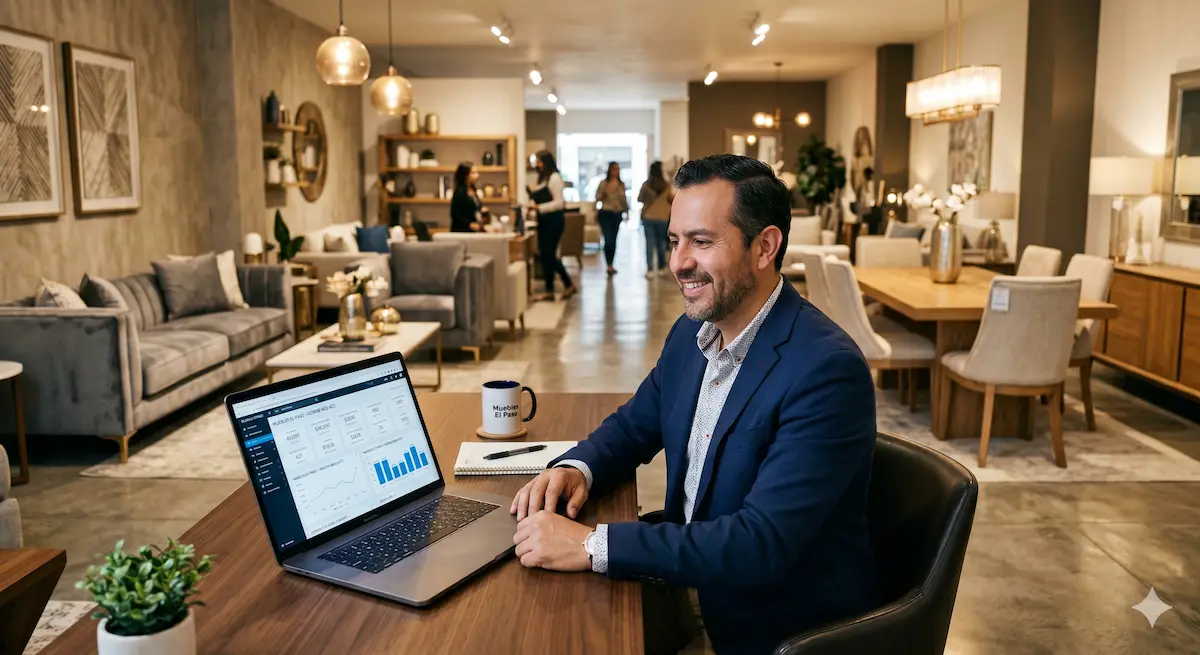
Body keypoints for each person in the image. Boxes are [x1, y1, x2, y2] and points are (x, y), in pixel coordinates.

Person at [510, 154, 879, 655]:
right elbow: (636, 425)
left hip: (767, 624)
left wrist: (592, 543)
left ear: (764, 246)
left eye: (702, 242)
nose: (678, 263)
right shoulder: (694, 333)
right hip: (689, 580)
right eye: (675, 240)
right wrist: (579, 468)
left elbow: (758, 544)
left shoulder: (826, 370)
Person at [528, 151, 577, 300]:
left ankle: (568, 283)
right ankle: (549, 289)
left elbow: (558, 203)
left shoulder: (555, 178)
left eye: (539, 162)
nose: (537, 165)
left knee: (548, 254)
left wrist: (539, 208)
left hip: (554, 221)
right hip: (544, 220)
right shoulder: (543, 179)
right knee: (545, 255)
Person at [639, 161, 674, 279]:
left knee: (649, 243)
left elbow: (640, 199)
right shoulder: (666, 185)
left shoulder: (646, 185)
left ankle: (649, 269)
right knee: (661, 243)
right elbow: (671, 199)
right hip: (662, 217)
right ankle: (661, 267)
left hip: (648, 217)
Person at [594, 161, 629, 276]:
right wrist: (604, 194)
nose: (615, 171)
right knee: (608, 239)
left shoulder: (621, 184)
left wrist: (626, 212)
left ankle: (611, 264)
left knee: (613, 240)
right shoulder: (603, 183)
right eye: (614, 168)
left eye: (617, 169)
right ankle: (608, 264)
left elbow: (624, 200)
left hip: (617, 213)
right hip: (606, 213)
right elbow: (597, 197)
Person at [450, 162, 488, 233]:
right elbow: (455, 214)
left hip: (473, 231)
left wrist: (482, 210)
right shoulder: (460, 192)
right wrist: (469, 224)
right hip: (462, 231)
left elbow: (476, 208)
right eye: (473, 173)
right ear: (465, 175)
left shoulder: (473, 189)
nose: (477, 175)